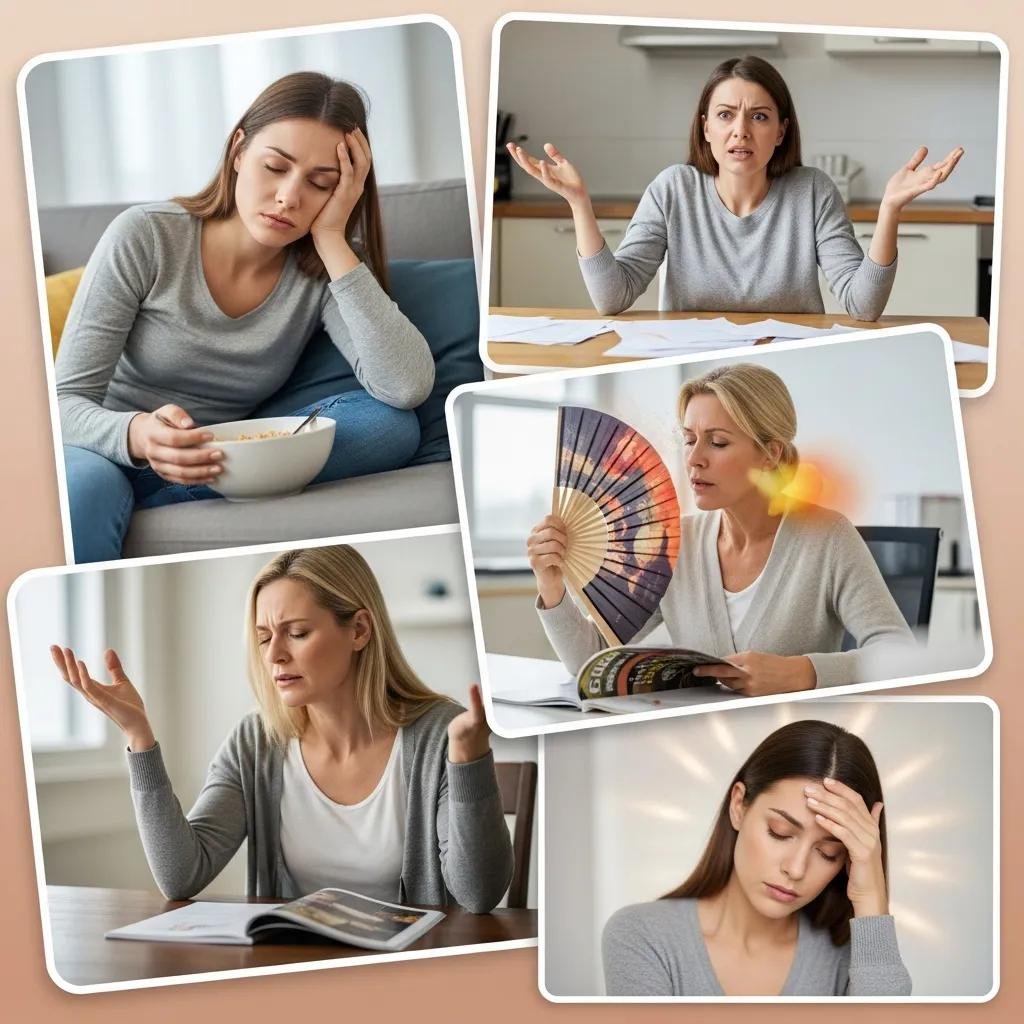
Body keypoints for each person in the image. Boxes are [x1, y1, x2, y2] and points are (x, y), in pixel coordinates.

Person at [57, 71, 437, 563]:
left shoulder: (326, 265)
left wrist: (331, 241)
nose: (289, 198)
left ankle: (157, 502)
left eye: (321, 183)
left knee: (391, 425)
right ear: (238, 151)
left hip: (233, 460)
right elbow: (66, 403)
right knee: (82, 491)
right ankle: (140, 494)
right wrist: (138, 434)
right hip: (112, 449)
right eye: (275, 166)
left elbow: (405, 386)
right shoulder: (146, 235)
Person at [49, 545, 513, 912]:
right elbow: (180, 874)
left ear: (359, 631)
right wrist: (139, 737)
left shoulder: (439, 736)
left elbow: (478, 895)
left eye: (296, 632)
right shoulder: (256, 743)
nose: (274, 657)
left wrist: (469, 761)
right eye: (264, 637)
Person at [528, 363, 915, 692]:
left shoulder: (827, 537)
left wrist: (803, 673)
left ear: (770, 454)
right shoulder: (675, 543)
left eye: (717, 442)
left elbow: (898, 653)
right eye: (689, 440)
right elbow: (592, 662)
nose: (694, 459)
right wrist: (551, 585)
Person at [508, 55, 963, 320]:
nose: (740, 131)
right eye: (726, 115)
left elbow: (862, 307)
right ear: (705, 128)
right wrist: (579, 204)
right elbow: (613, 299)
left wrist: (890, 209)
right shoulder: (673, 189)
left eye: (759, 116)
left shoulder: (813, 192)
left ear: (781, 131)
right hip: (695, 375)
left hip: (787, 370)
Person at [602, 719, 912, 996]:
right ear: (739, 805)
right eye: (780, 832)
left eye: (828, 853)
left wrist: (871, 896)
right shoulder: (642, 937)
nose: (795, 868)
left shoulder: (855, 963)